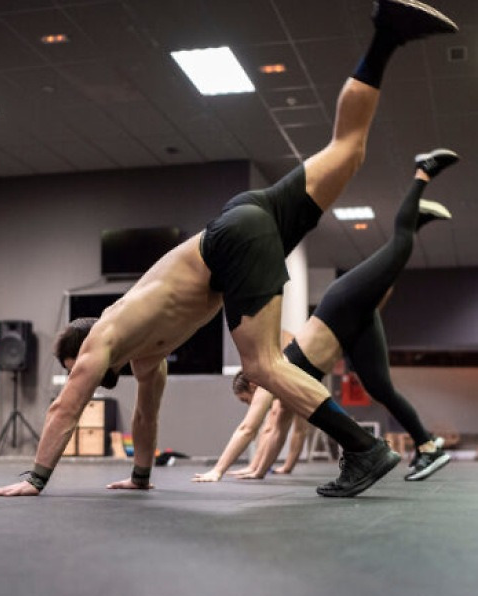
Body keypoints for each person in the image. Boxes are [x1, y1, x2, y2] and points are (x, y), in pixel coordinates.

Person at [0, 0, 458, 498]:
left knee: (263, 366)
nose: (85, 379)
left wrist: (34, 478)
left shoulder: (104, 335)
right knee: (348, 149)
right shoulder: (147, 356)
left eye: (75, 369)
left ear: (80, 353)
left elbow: (65, 408)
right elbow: (146, 415)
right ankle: (387, 36)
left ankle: (363, 449)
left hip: (231, 240)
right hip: (248, 218)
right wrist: (141, 475)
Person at [194, 148, 458, 487]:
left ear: (251, 385)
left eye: (247, 398)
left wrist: (218, 470)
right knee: (380, 387)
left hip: (340, 307)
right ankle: (427, 447)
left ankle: (422, 172)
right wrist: (261, 470)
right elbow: (280, 430)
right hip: (351, 326)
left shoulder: (266, 374)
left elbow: (252, 428)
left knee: (399, 247)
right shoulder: (286, 393)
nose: (251, 404)